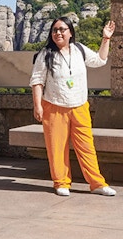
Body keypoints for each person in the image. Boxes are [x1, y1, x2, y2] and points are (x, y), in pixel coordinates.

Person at [30, 16, 117, 197]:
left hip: (79, 106)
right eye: (55, 30)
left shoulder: (79, 50)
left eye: (62, 29)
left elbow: (100, 60)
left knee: (86, 147)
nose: (58, 33)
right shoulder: (45, 54)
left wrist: (106, 38)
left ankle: (97, 183)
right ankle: (61, 182)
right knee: (57, 147)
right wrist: (37, 105)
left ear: (70, 32)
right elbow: (37, 81)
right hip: (54, 106)